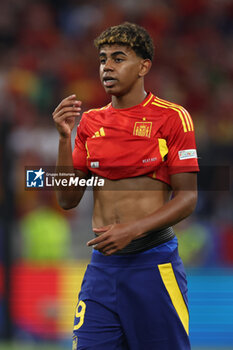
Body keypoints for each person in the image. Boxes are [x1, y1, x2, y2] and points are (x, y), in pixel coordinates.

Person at [53, 22, 199, 350]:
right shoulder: (89, 122)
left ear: (144, 66)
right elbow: (67, 198)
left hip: (154, 265)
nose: (107, 66)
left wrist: (132, 230)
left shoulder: (173, 118)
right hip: (102, 270)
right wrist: (65, 139)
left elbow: (188, 197)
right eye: (103, 59)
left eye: (119, 58)